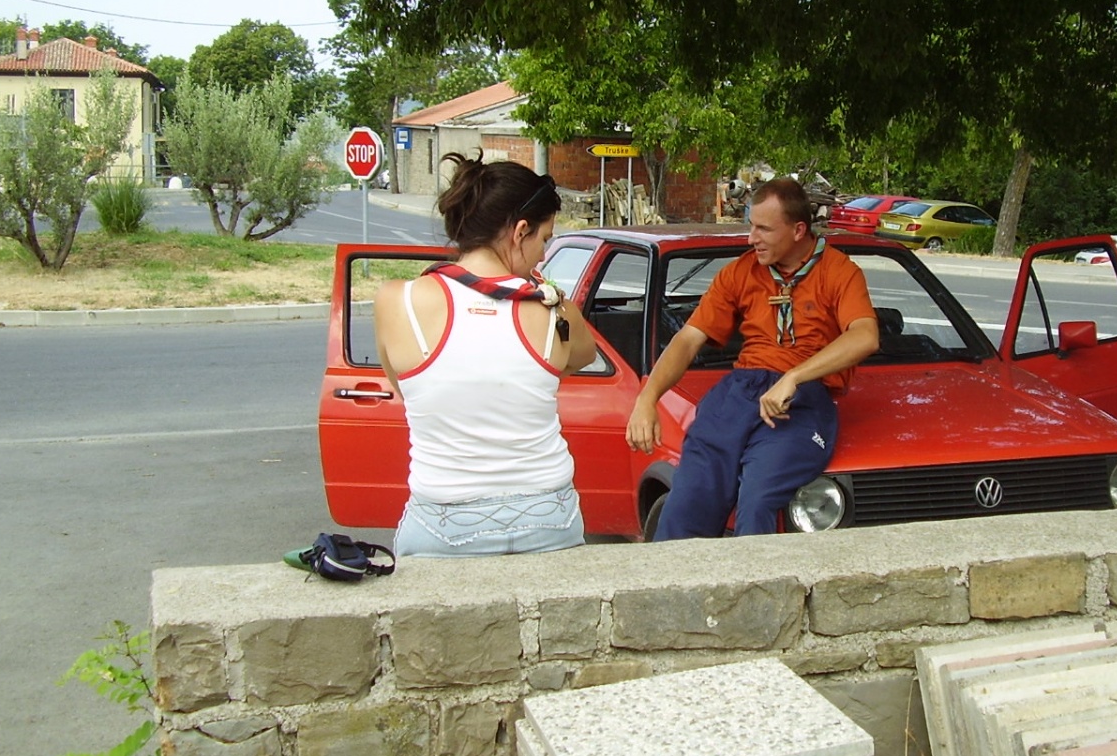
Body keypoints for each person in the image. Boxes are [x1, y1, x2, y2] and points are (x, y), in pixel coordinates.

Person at [626, 177, 880, 537]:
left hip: (801, 401)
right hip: (740, 391)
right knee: (689, 501)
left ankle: (754, 588)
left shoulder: (838, 271)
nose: (751, 238)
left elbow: (865, 336)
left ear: (798, 230)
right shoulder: (740, 272)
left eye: (763, 228)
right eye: (751, 226)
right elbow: (688, 339)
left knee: (758, 498)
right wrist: (647, 398)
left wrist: (794, 377)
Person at [374, 153, 597, 556]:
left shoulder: (397, 302)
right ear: (520, 231)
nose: (543, 255)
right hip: (549, 516)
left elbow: (410, 391)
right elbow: (582, 354)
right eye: (545, 240)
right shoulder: (554, 311)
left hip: (444, 521)